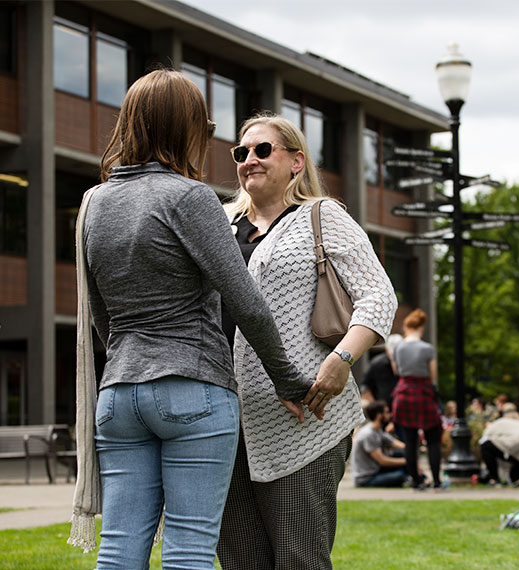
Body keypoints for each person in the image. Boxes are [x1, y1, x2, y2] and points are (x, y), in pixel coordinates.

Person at [70, 71, 316, 570]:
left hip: (118, 397)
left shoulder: (94, 202)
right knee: (189, 546)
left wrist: (129, 360)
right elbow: (246, 303)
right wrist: (290, 380)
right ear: (184, 128)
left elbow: (100, 313)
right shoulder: (189, 197)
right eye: (204, 126)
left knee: (118, 547)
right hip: (194, 388)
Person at [217, 112, 397, 570]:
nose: (249, 160)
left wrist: (341, 359)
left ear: (296, 161)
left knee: (300, 559)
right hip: (223, 419)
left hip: (306, 417)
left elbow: (379, 296)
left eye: (262, 150)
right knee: (238, 559)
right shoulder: (217, 223)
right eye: (242, 152)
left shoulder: (322, 215)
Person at [391, 308, 441, 490]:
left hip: (403, 392)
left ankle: (416, 481)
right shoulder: (427, 348)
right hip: (423, 392)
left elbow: (396, 371)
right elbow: (433, 375)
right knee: (433, 439)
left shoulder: (397, 348)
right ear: (422, 326)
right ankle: (437, 482)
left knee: (410, 442)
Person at [351, 400, 410, 487]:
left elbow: (397, 444)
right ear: (379, 415)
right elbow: (382, 461)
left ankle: (417, 478)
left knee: (403, 454)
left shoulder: (377, 430)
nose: (390, 415)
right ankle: (410, 479)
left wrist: (411, 454)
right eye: (387, 412)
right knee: (400, 476)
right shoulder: (368, 434)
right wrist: (408, 461)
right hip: (366, 478)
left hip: (376, 470)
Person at [360, 333, 403, 407]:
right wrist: (374, 405)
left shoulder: (409, 364)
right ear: (387, 349)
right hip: (383, 412)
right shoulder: (377, 363)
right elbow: (365, 385)